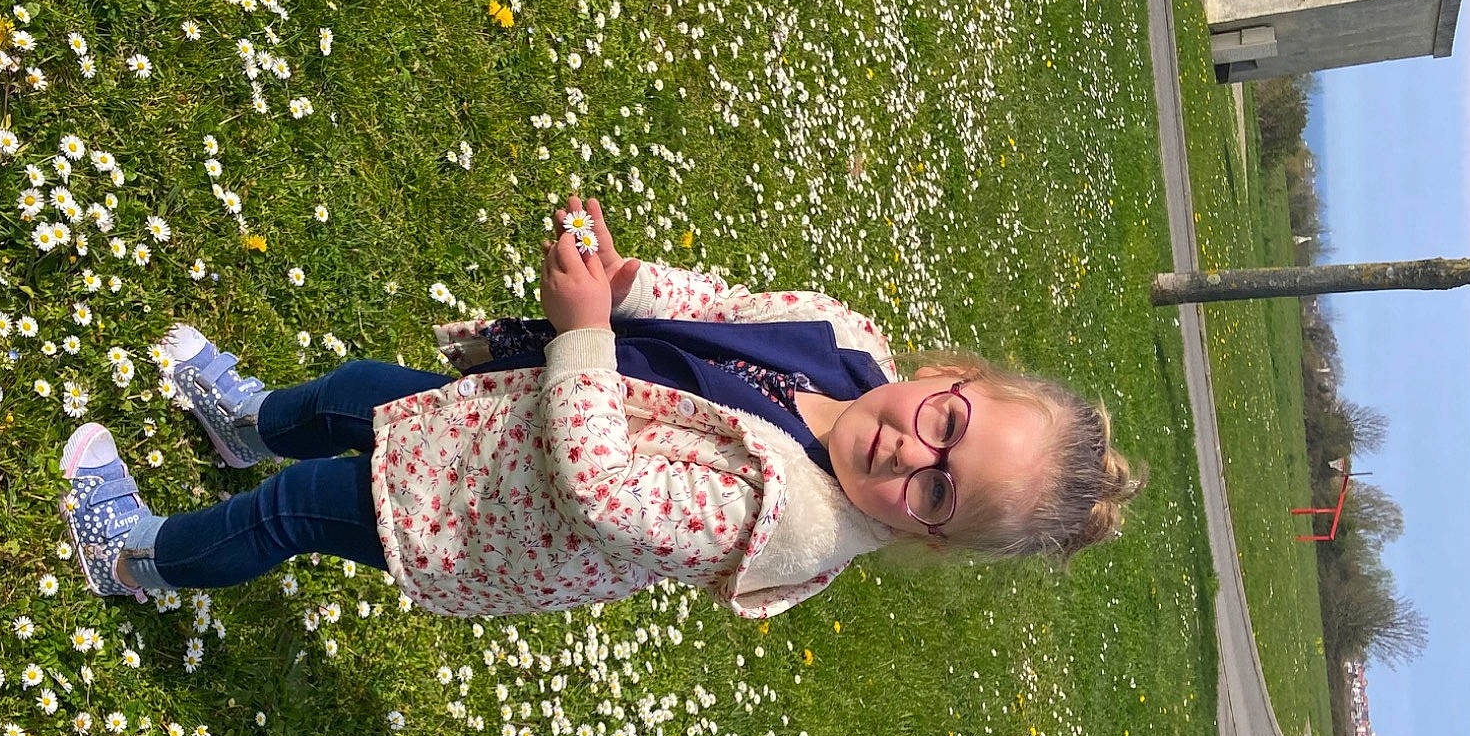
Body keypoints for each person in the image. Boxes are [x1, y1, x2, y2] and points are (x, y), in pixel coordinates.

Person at [58, 196, 1144, 620]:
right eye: (943, 425)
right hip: (495, 422)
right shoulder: (843, 341)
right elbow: (717, 310)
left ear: (926, 535)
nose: (909, 450)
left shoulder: (782, 523)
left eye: (935, 493)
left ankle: (135, 559)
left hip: (488, 516)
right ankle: (244, 423)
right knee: (347, 396)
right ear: (951, 378)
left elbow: (600, 492)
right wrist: (627, 288)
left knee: (296, 511)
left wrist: (580, 327)